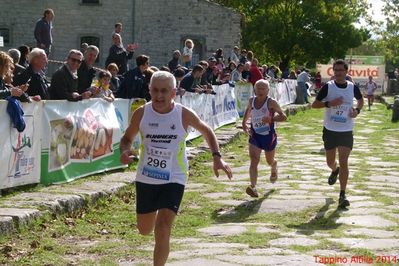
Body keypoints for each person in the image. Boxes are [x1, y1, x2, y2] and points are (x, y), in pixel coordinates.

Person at [119, 70, 232, 266]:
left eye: (164, 91)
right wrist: (125, 150)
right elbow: (127, 138)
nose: (159, 96)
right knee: (145, 229)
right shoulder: (142, 113)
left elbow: (208, 131)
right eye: (155, 90)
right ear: (149, 90)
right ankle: (153, 214)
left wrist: (217, 158)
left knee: (163, 228)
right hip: (146, 177)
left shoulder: (183, 114)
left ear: (173, 93)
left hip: (175, 177)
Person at [311, 59, 363, 208]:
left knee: (344, 161)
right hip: (330, 130)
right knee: (330, 162)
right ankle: (335, 170)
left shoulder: (352, 87)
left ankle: (342, 194)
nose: (339, 73)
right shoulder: (328, 87)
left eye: (341, 70)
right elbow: (314, 104)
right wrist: (329, 104)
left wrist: (357, 111)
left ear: (346, 72)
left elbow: (360, 100)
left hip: (346, 130)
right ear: (333, 72)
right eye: (336, 70)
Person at [241, 79, 287, 197]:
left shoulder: (271, 102)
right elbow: (248, 111)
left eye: (263, 88)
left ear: (268, 90)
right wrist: (244, 123)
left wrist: (271, 119)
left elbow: (284, 117)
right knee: (254, 159)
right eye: (258, 88)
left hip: (268, 136)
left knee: (269, 161)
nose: (260, 91)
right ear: (254, 89)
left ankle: (274, 165)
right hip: (255, 135)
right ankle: (253, 187)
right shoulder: (252, 100)